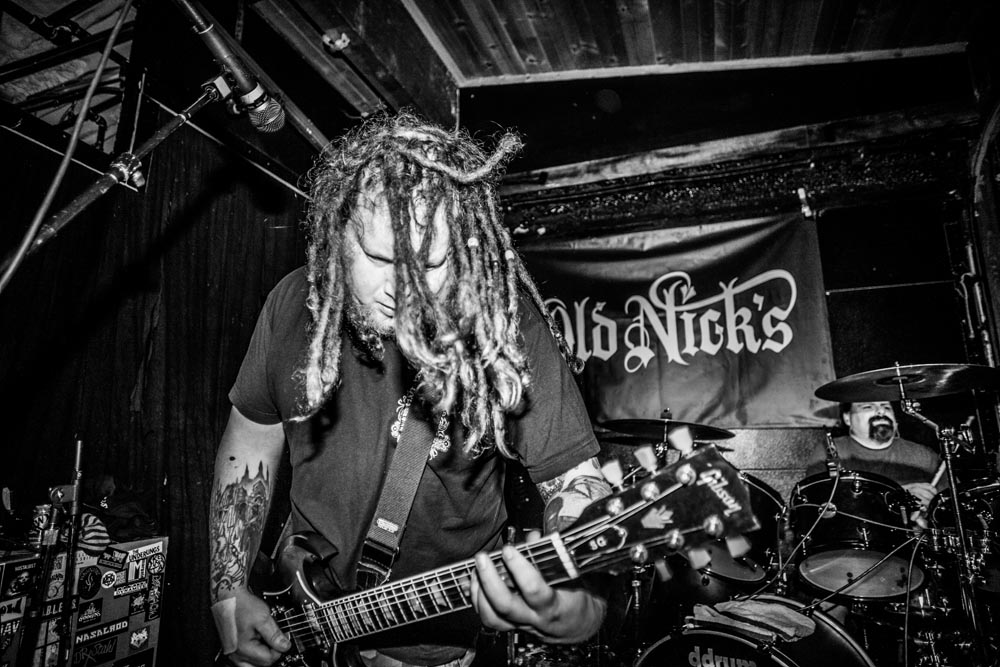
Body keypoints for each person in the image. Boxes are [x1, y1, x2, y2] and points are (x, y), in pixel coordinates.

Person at [209, 111, 611, 667]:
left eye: (431, 262)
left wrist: (575, 594)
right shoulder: (292, 303)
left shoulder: (502, 329)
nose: (404, 290)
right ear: (335, 231)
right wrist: (229, 590)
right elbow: (252, 438)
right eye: (377, 257)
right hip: (293, 612)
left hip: (432, 647)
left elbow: (574, 482)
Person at [806, 400, 943, 510]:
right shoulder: (829, 451)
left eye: (886, 407)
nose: (881, 411)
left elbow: (951, 502)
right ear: (847, 418)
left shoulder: (922, 455)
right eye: (867, 407)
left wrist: (931, 507)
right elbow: (816, 504)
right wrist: (897, 496)